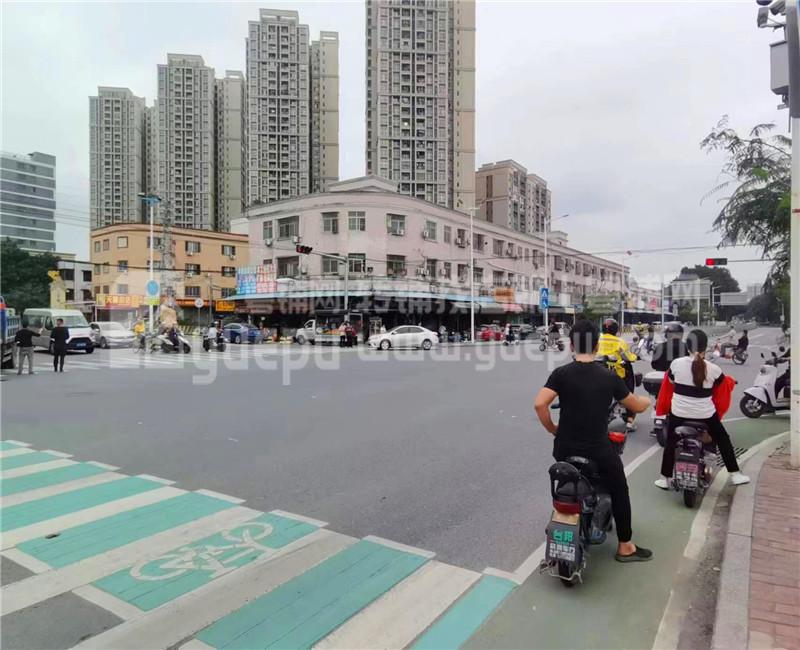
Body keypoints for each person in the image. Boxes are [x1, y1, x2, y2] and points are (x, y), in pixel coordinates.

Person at [534, 319, 653, 563]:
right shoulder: (608, 377)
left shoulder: (561, 374)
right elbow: (636, 405)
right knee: (619, 488)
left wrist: (553, 429)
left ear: (571, 346)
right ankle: (625, 546)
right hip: (598, 451)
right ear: (597, 346)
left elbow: (540, 404)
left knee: (566, 478)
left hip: (564, 448)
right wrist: (647, 401)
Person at [655, 329, 750, 489]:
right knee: (723, 439)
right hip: (705, 415)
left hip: (679, 414)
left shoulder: (676, 364)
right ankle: (735, 474)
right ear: (705, 348)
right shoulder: (714, 369)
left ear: (687, 347)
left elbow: (670, 382)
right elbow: (722, 387)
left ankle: (664, 478)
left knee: (671, 442)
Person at [597, 318, 639, 432]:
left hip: (596, 372)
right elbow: (628, 357)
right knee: (629, 392)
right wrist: (635, 357)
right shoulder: (620, 342)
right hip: (616, 374)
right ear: (615, 329)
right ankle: (630, 421)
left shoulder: (597, 340)